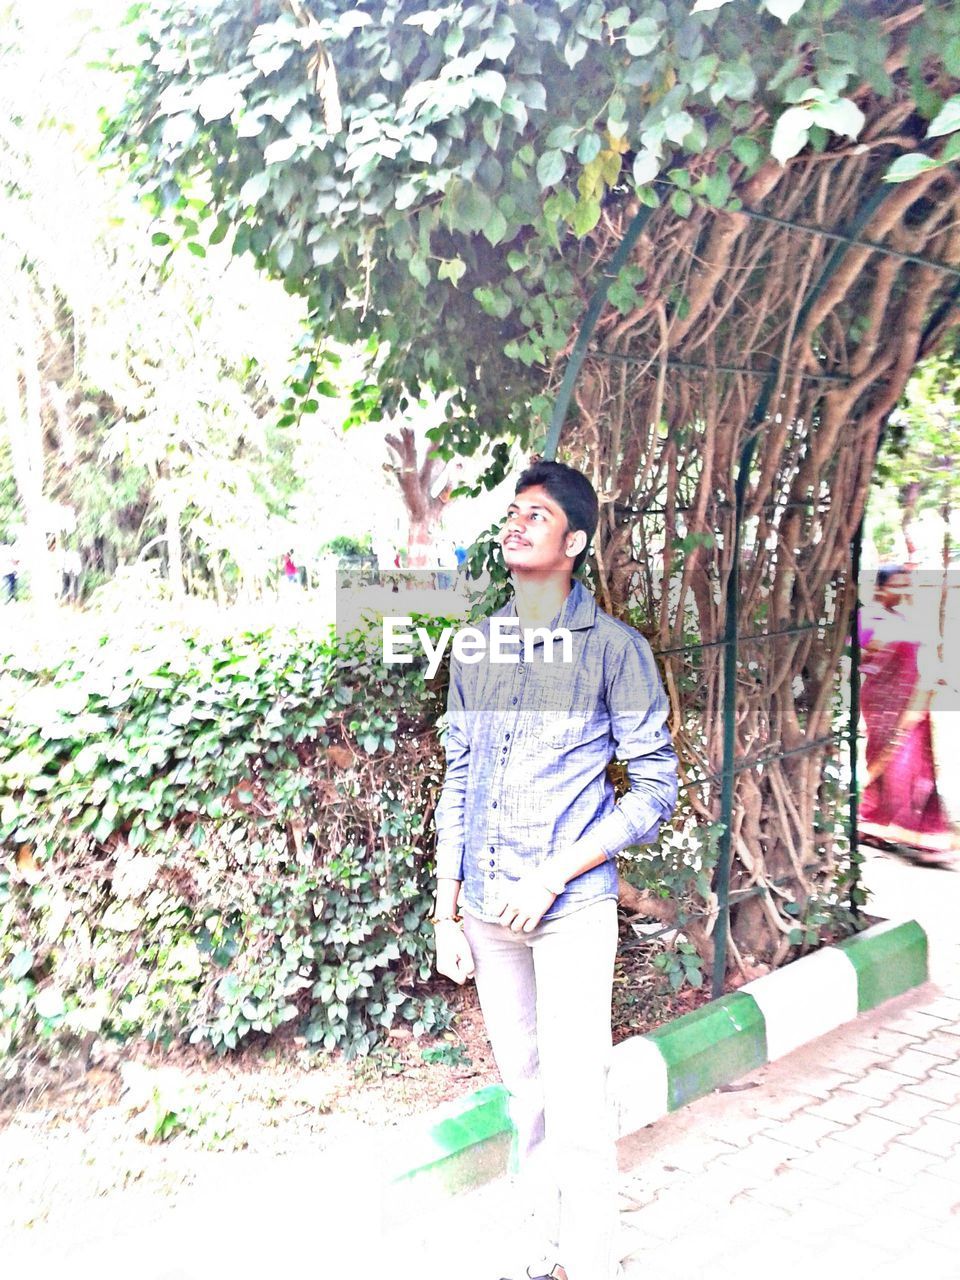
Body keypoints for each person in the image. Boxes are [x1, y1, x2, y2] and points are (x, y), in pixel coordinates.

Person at [432, 461, 678, 1280]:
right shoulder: (475, 644)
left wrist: (556, 874)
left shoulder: (617, 653)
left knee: (577, 1100)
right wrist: (446, 908)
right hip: (488, 913)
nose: (516, 524)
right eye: (513, 512)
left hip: (569, 907)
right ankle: (540, 1255)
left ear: (574, 542)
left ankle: (593, 1261)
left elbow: (653, 793)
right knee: (528, 1095)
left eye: (536, 516)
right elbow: (459, 776)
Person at [858, 564, 957, 862]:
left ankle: (886, 826)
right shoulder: (866, 619)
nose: (903, 591)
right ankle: (891, 829)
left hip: (913, 705)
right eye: (897, 585)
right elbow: (856, 658)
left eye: (907, 585)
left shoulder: (907, 620)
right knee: (893, 766)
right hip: (882, 704)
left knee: (915, 768)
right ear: (879, 588)